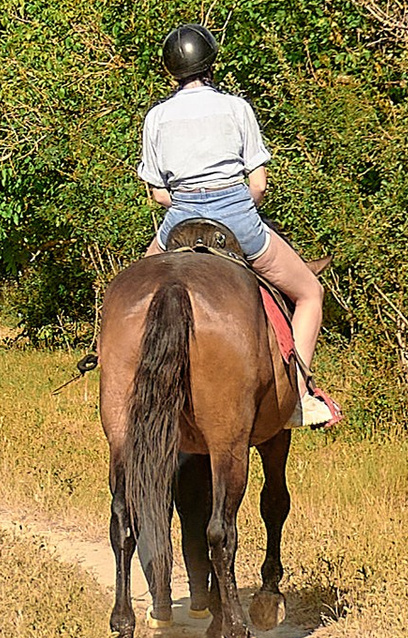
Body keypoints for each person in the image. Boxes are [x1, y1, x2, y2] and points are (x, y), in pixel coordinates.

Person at [139, 24, 338, 427]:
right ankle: (296, 397)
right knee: (310, 293)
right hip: (236, 216)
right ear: (210, 62)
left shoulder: (156, 117)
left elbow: (159, 194)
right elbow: (258, 185)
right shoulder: (236, 108)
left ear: (171, 70)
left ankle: (124, 374)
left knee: (133, 287)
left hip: (179, 219)